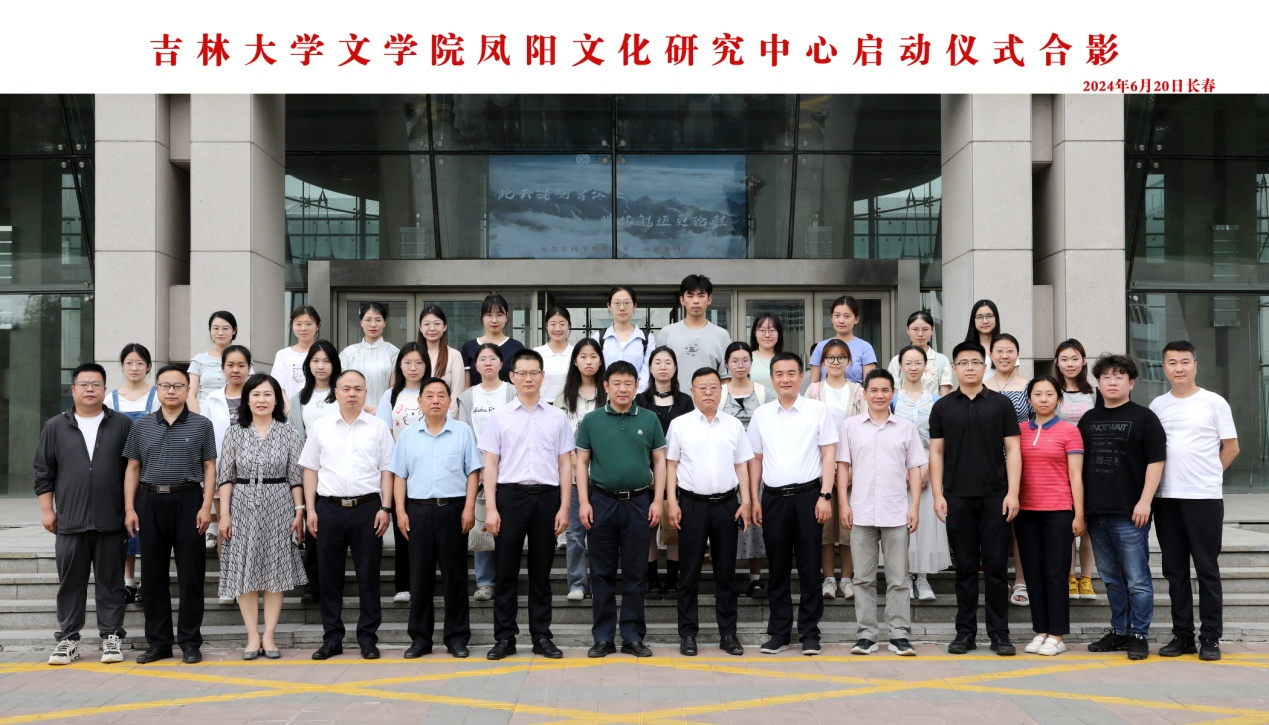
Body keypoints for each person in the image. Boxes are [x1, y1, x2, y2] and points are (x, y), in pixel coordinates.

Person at [35, 363, 134, 666]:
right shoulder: (55, 426)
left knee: (111, 583)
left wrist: (129, 510)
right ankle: (68, 640)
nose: (90, 389)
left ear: (105, 389)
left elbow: (132, 471)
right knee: (70, 584)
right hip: (70, 521)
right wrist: (47, 511)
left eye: (96, 384)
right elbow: (43, 472)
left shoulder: (122, 424)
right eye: (84, 384)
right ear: (73, 389)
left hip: (110, 520)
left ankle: (111, 637)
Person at [480, 349, 575, 660]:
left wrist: (564, 507)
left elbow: (565, 464)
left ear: (543, 376)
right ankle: (504, 638)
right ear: (512, 377)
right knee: (505, 571)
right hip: (510, 498)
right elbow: (491, 464)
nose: (528, 378)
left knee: (541, 572)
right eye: (522, 373)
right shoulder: (500, 416)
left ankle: (541, 636)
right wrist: (491, 508)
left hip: (547, 499)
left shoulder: (557, 417)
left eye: (534, 372)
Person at [929, 341, 1021, 657]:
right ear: (954, 369)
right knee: (965, 570)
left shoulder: (1001, 404)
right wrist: (938, 494)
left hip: (996, 497)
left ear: (985, 366)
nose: (969, 367)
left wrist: (1012, 492)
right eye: (963, 363)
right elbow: (936, 452)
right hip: (957, 498)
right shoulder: (943, 407)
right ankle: (965, 633)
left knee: (996, 569)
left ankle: (999, 634)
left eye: (975, 362)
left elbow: (1013, 450)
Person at [1150, 340, 1239, 662]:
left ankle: (1210, 637)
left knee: (1206, 569)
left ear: (1195, 365)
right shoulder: (1158, 405)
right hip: (1166, 498)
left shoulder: (1213, 402)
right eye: (1172, 362)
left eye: (1185, 361)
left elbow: (1231, 447)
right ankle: (1183, 636)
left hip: (1203, 498)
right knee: (1174, 571)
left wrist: (1210, 476)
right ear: (1164, 367)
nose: (1179, 368)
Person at [123, 364, 218, 665]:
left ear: (188, 389)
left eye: (178, 386)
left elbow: (210, 467)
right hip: (150, 501)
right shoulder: (142, 426)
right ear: (157, 389)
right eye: (165, 386)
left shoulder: (202, 425)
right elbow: (132, 468)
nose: (172, 391)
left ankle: (190, 641)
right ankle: (159, 643)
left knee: (191, 575)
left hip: (189, 500)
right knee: (153, 577)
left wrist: (206, 506)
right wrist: (130, 508)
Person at [300, 370, 396, 661]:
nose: (352, 393)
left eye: (358, 388)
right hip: (328, 509)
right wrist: (310, 509)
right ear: (336, 392)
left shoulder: (379, 427)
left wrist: (386, 508)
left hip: (368, 508)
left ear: (366, 393)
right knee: (329, 577)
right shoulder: (321, 426)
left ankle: (367, 637)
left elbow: (387, 470)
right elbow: (310, 470)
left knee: (369, 576)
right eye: (346, 388)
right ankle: (332, 638)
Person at [747, 353, 838, 656]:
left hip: (809, 497)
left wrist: (825, 495)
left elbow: (829, 454)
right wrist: (755, 498)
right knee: (778, 568)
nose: (785, 379)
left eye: (791, 373)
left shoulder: (817, 410)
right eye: (779, 374)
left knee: (811, 568)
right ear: (771, 378)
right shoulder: (762, 415)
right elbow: (756, 460)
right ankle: (780, 632)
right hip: (773, 499)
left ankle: (810, 633)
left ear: (801, 377)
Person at [576, 360, 667, 658]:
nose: (623, 389)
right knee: (601, 573)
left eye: (628, 383)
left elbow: (660, 462)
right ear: (606, 386)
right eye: (616, 383)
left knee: (635, 573)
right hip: (601, 502)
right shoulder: (592, 420)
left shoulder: (650, 419)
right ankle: (603, 638)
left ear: (637, 386)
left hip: (639, 502)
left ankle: (632, 637)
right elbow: (581, 463)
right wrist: (584, 502)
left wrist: (657, 501)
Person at [1080, 354, 1166, 661]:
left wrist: (1145, 501)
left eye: (1119, 377)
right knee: (1111, 578)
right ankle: (1120, 631)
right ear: (1098, 383)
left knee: (1137, 579)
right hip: (1096, 512)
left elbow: (1156, 461)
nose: (1112, 382)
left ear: (1131, 383)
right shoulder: (1088, 419)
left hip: (1130, 513)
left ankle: (1139, 634)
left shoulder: (1145, 418)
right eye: (1106, 377)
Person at [216, 374, 307, 660]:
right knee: (245, 570)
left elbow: (296, 478)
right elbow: (225, 477)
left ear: (276, 399)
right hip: (242, 505)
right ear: (246, 399)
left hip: (279, 504)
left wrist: (299, 512)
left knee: (274, 571)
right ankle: (252, 636)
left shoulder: (289, 433)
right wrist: (224, 515)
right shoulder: (234, 433)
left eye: (268, 394)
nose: (262, 400)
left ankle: (269, 636)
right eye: (255, 394)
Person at [390, 377, 482, 659]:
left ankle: (457, 638)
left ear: (449, 401)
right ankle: (420, 639)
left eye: (441, 395)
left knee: (455, 578)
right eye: (429, 395)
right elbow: (399, 475)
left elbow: (473, 472)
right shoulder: (408, 435)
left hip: (453, 510)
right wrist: (400, 511)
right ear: (419, 402)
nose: (435, 400)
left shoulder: (462, 431)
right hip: (418, 511)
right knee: (419, 578)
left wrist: (469, 508)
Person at [666, 367, 754, 657]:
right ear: (692, 391)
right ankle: (687, 634)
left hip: (727, 505)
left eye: (713, 387)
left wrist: (745, 501)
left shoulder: (733, 425)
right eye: (702, 388)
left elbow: (742, 465)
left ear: (721, 391)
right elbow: (671, 465)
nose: (708, 393)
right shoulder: (679, 425)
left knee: (726, 573)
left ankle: (728, 634)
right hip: (691, 505)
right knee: (689, 572)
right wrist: (672, 501)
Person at [837, 369, 925, 657]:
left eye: (885, 390)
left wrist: (914, 507)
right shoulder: (850, 426)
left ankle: (899, 635)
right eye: (873, 390)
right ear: (864, 394)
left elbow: (914, 469)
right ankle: (866, 635)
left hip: (896, 511)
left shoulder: (905, 428)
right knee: (862, 579)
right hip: (861, 511)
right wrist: (843, 504)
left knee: (898, 579)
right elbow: (843, 467)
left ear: (893, 393)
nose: (879, 395)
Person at [1014, 376, 1085, 657]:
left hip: (1059, 511)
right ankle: (1040, 631)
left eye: (1049, 394)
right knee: (1033, 572)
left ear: (1058, 398)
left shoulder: (1070, 431)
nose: (1043, 399)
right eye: (1037, 394)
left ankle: (1057, 635)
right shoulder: (1019, 431)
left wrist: (1079, 514)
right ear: (1029, 399)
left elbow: (1076, 476)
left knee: (1056, 573)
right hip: (1026, 512)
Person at [456, 342, 516, 602]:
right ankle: (485, 581)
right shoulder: (468, 397)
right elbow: (464, 434)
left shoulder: (512, 392)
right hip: (478, 470)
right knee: (482, 525)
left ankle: (506, 579)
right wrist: (478, 468)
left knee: (508, 527)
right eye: (482, 359)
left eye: (493, 358)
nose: (488, 362)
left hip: (510, 469)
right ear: (475, 365)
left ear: (502, 364)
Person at [635, 346, 694, 600]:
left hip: (679, 473)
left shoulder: (685, 401)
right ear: (650, 368)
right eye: (657, 362)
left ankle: (671, 581)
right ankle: (651, 580)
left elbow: (691, 439)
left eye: (668, 362)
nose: (662, 366)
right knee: (648, 526)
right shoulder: (640, 400)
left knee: (673, 526)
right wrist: (647, 471)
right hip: (646, 475)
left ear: (675, 367)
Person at [375, 343, 432, 604]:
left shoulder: (432, 391)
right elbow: (385, 433)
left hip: (430, 468)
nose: (413, 367)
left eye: (419, 362)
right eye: (407, 362)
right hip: (401, 470)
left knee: (429, 528)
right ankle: (403, 585)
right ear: (399, 365)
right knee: (403, 526)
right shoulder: (391, 395)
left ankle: (427, 582)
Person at [892, 345, 949, 601]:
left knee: (925, 521)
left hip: (929, 463)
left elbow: (941, 442)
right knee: (900, 521)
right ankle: (903, 576)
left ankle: (922, 577)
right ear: (900, 366)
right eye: (908, 363)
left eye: (918, 363)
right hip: (898, 467)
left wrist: (927, 469)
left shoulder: (937, 401)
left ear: (926, 366)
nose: (913, 368)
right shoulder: (893, 399)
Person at [286, 339, 341, 604]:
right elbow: (294, 436)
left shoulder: (341, 393)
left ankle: (334, 581)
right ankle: (313, 584)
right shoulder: (298, 399)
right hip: (309, 470)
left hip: (337, 470)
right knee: (313, 527)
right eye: (316, 361)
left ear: (334, 365)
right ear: (308, 365)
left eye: (326, 361)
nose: (321, 366)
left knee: (335, 529)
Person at [104, 343, 157, 606]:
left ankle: (148, 581)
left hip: (150, 471)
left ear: (148, 366)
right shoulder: (110, 399)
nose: (134, 368)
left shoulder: (157, 396)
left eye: (139, 363)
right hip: (118, 470)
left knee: (148, 525)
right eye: (129, 363)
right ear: (122, 366)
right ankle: (128, 581)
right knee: (124, 524)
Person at [554, 338, 607, 601]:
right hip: (574, 478)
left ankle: (599, 582)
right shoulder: (564, 397)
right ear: (575, 361)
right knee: (575, 533)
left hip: (604, 477)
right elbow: (557, 437)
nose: (588, 361)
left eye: (593, 356)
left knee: (600, 534)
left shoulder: (608, 393)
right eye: (583, 356)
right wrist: (574, 459)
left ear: (600, 360)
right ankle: (577, 583)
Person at [812, 338, 863, 603]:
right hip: (820, 468)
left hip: (851, 467)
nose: (835, 362)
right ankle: (829, 578)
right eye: (830, 358)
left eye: (841, 358)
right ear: (822, 362)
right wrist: (823, 470)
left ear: (849, 362)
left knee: (847, 526)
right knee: (824, 528)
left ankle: (847, 579)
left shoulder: (858, 392)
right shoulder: (813, 391)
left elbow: (863, 430)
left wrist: (852, 467)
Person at [722, 341, 774, 599]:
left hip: (757, 464)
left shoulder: (764, 393)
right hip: (725, 465)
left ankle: (755, 579)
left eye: (745, 360)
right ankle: (726, 578)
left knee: (755, 519)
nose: (740, 365)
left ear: (751, 363)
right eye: (735, 360)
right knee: (726, 521)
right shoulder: (719, 392)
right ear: (727, 364)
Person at [983, 332, 1031, 606]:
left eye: (1010, 350)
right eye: (999, 350)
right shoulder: (981, 384)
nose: (1004, 355)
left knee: (1019, 523)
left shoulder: (1028, 386)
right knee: (994, 523)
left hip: (1020, 459)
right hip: (986, 462)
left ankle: (1021, 579)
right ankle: (997, 580)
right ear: (990, 355)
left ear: (1017, 355)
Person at [1054, 339, 1098, 602]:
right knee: (1067, 522)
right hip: (1059, 466)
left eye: (1074, 358)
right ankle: (1070, 576)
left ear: (1083, 361)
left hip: (1089, 465)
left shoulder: (1094, 393)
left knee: (1088, 523)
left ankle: (1087, 577)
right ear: (1057, 363)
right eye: (1064, 359)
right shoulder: (1052, 391)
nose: (1069, 364)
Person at [657, 274, 731, 390]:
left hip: (709, 400)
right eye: (690, 296)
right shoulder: (667, 333)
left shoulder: (722, 335)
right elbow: (657, 375)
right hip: (674, 400)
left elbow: (725, 378)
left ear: (709, 299)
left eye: (701, 296)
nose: (696, 301)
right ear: (682, 300)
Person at [339, 302, 400, 416]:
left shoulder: (394, 353)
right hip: (353, 413)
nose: (373, 324)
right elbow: (342, 387)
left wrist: (379, 410)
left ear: (384, 322)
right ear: (361, 322)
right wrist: (364, 408)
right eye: (368, 320)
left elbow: (394, 389)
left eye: (378, 320)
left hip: (384, 413)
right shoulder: (348, 353)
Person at [595, 285, 655, 392]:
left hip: (638, 397)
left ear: (634, 305)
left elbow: (647, 373)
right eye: (617, 303)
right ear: (609, 306)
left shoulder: (646, 339)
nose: (622, 308)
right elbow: (596, 371)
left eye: (627, 303)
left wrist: (634, 395)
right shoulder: (599, 338)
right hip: (605, 396)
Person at [808, 295, 877, 385]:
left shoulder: (865, 347)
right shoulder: (821, 347)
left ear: (856, 319)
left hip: (856, 393)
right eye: (837, 315)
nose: (841, 321)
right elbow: (814, 383)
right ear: (832, 318)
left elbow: (870, 385)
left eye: (847, 316)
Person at [460, 293, 525, 386]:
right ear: (482, 317)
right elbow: (466, 386)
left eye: (499, 315)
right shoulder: (469, 347)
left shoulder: (517, 347)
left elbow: (521, 382)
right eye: (489, 315)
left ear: (507, 317)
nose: (494, 320)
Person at [415, 305, 467, 415]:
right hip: (414, 416)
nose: (432, 328)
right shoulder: (413, 355)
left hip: (444, 418)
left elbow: (457, 394)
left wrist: (446, 420)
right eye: (427, 324)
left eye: (437, 323)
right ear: (420, 328)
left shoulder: (454, 355)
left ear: (445, 327)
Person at [886, 310, 952, 397]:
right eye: (915, 329)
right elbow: (895, 396)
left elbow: (944, 398)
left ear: (932, 330)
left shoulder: (941, 360)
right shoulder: (897, 360)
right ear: (908, 330)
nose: (920, 334)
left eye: (925, 329)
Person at [205, 345, 253, 456]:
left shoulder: (258, 398)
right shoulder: (212, 399)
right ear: (222, 367)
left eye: (241, 365)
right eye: (230, 365)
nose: (235, 370)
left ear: (249, 367)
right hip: (220, 460)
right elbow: (203, 434)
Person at [187, 310, 237, 414]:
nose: (220, 332)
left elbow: (249, 389)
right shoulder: (199, 360)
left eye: (225, 328)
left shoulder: (242, 359)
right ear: (210, 330)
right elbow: (190, 394)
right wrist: (200, 418)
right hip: (204, 411)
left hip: (234, 412)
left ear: (234, 331)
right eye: (216, 328)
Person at [271, 306, 322, 401]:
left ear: (317, 326)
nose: (303, 328)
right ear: (292, 326)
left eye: (308, 324)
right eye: (298, 324)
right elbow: (278, 388)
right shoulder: (282, 355)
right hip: (289, 408)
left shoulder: (324, 353)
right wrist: (288, 409)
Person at [534, 306, 575, 405]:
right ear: (546, 326)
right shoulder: (537, 353)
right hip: (541, 406)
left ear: (569, 325)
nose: (558, 329)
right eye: (553, 324)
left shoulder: (576, 353)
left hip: (569, 406)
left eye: (562, 324)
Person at [964, 299, 1001, 376]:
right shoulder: (965, 349)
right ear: (973, 320)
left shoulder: (1007, 346)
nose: (985, 321)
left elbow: (1015, 378)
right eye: (980, 317)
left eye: (989, 316)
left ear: (996, 318)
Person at [748, 312, 783, 392]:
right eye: (762, 330)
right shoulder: (747, 359)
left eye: (772, 330)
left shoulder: (786, 360)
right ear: (755, 333)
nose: (767, 335)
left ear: (779, 333)